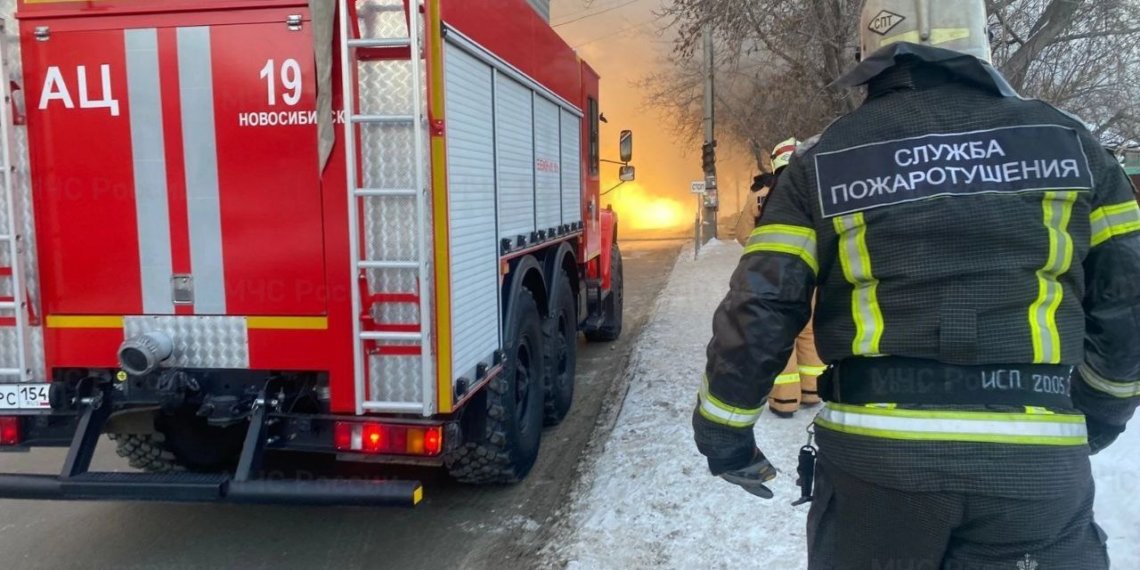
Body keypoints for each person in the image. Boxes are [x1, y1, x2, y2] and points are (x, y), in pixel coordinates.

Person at [693, 0, 1140, 568]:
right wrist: (1101, 410)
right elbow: (1126, 299)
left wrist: (724, 433)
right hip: (1034, 469)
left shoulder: (823, 162)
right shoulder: (1076, 148)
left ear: (869, 57)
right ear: (981, 47)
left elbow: (762, 304)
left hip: (875, 468)